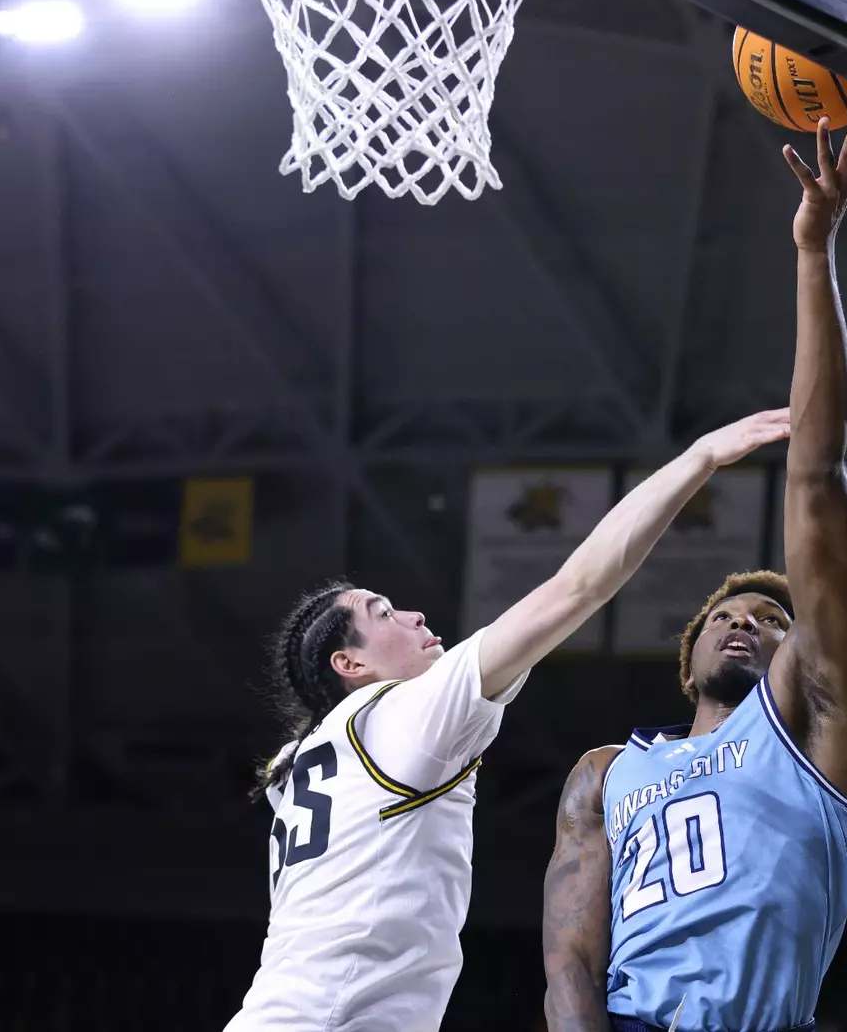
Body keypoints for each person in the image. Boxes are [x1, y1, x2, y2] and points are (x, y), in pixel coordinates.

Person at [224, 408, 792, 1032]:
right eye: (382, 613)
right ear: (348, 661)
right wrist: (700, 458)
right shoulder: (401, 716)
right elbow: (579, 586)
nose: (412, 615)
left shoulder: (300, 758)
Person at [541, 114, 847, 1032]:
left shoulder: (810, 719)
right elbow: (570, 958)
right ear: (688, 657)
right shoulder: (604, 772)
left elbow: (818, 474)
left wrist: (814, 252)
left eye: (773, 618)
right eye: (727, 613)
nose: (748, 621)